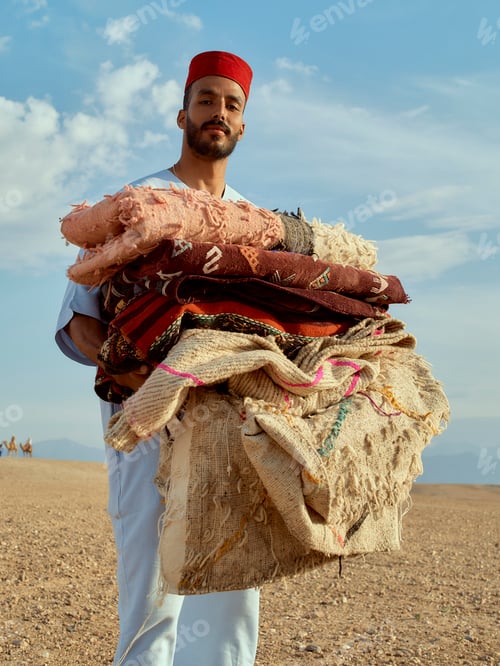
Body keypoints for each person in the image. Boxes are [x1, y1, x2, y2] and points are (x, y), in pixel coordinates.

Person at [56, 51, 260, 666]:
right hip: (146, 422)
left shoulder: (255, 223)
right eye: (206, 100)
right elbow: (79, 317)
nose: (217, 113)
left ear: (243, 125)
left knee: (232, 588)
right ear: (182, 114)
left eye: (231, 104)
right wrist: (133, 374)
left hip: (230, 423)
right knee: (152, 595)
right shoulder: (138, 203)